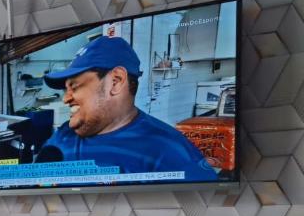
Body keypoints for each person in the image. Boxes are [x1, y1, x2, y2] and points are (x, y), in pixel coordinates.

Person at [38, 36, 215, 181]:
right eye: (65, 89)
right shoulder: (62, 136)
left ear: (115, 82)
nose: (66, 98)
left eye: (75, 86)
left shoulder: (170, 153)